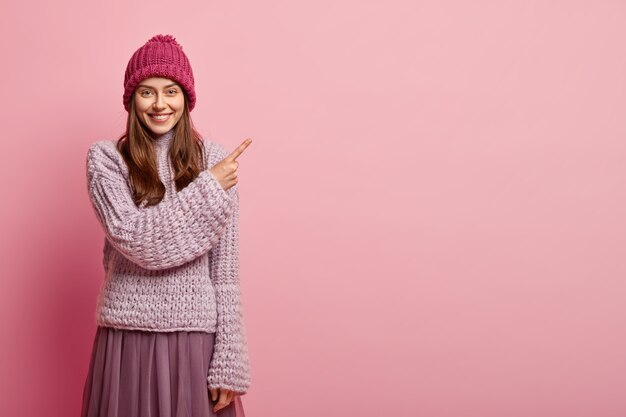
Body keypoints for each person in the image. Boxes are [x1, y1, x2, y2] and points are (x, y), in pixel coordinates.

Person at [80, 34, 252, 417]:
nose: (160, 104)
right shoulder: (107, 160)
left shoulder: (214, 159)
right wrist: (208, 188)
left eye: (171, 91)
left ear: (186, 99)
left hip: (195, 342)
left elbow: (224, 272)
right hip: (127, 340)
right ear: (131, 99)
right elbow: (137, 240)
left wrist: (230, 360)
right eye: (147, 92)